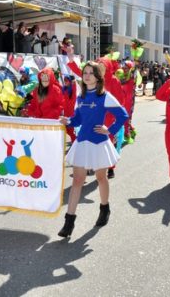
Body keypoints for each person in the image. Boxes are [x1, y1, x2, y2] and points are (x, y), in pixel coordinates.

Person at [58, 62, 129, 237]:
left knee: (101, 178)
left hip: (99, 143)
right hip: (82, 142)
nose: (87, 75)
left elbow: (123, 115)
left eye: (91, 73)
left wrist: (110, 130)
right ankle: (69, 222)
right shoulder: (80, 96)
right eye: (85, 72)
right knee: (77, 181)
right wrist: (68, 121)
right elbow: (78, 120)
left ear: (98, 77)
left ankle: (104, 208)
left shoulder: (104, 96)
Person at [61, 75, 77, 142]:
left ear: (70, 81)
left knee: (70, 130)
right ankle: (75, 141)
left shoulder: (72, 89)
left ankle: (75, 141)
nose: (65, 82)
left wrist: (74, 82)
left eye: (67, 80)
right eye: (64, 80)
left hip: (71, 113)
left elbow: (74, 85)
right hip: (65, 112)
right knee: (65, 129)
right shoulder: (64, 88)